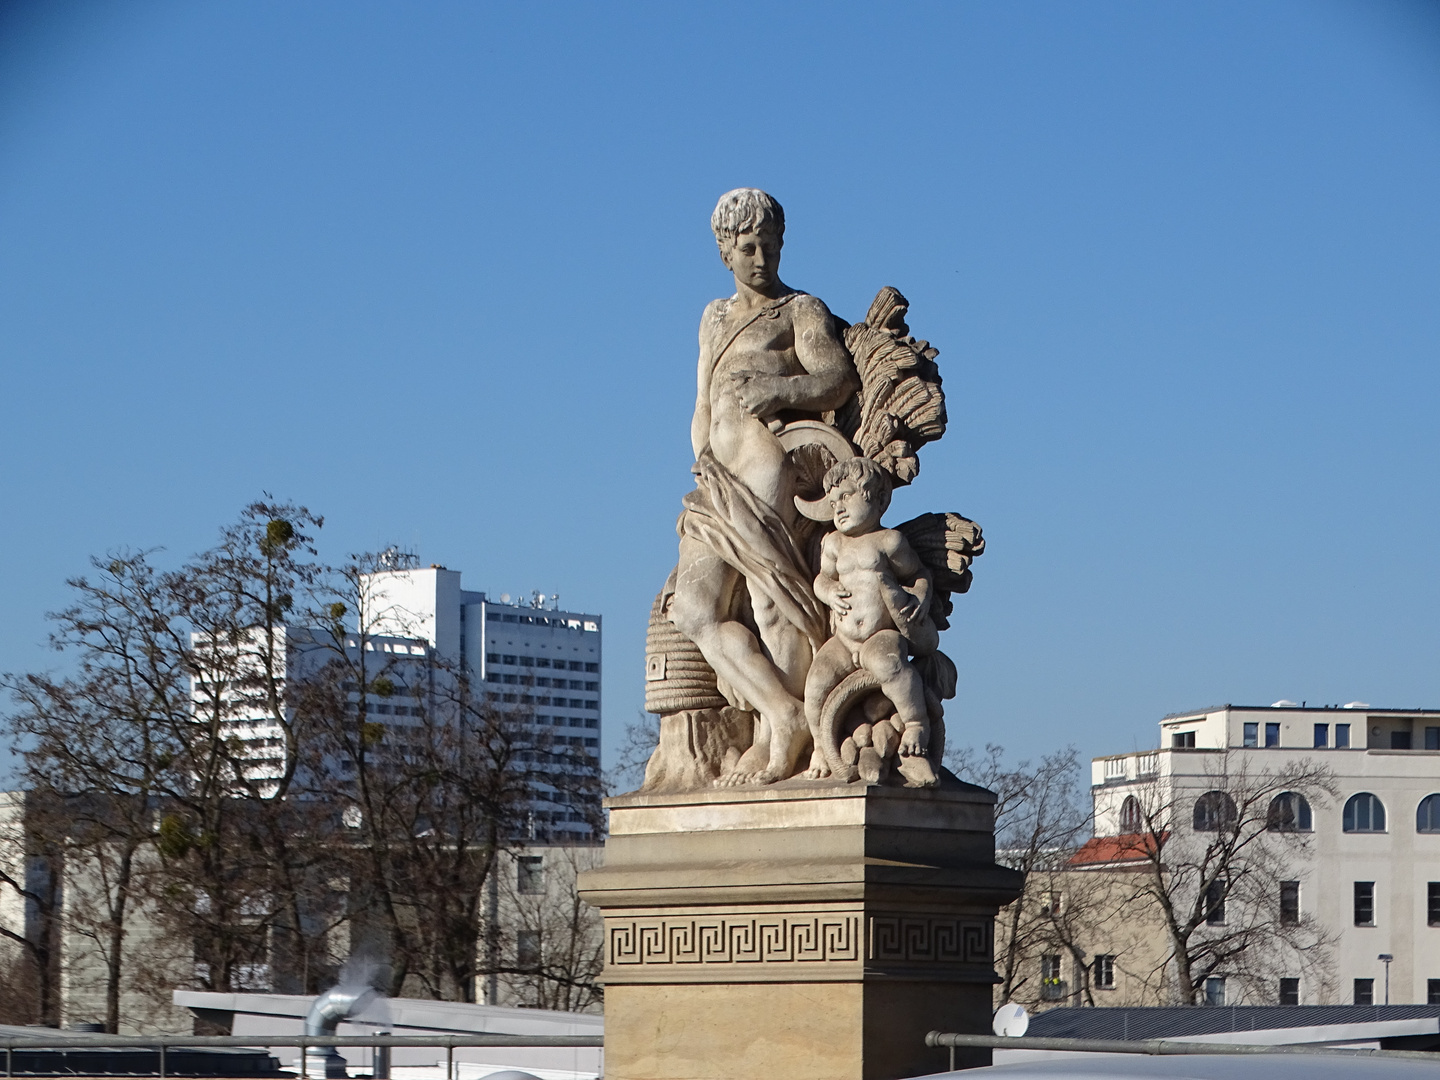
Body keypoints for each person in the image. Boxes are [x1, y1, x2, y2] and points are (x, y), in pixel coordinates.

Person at [668, 189, 859, 785]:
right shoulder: (713, 317)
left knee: (768, 599)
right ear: (725, 251)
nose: (760, 258)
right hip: (715, 474)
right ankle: (782, 713)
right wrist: (699, 452)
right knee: (693, 609)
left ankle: (786, 735)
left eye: (769, 246)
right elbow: (701, 398)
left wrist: (780, 392)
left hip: (765, 463)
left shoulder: (800, 309)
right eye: (747, 247)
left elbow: (836, 377)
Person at [803, 456, 939, 786]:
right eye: (833, 502)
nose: (838, 508)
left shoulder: (888, 542)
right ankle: (821, 746)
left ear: (877, 499)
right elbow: (821, 579)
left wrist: (921, 595)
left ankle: (916, 722)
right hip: (844, 640)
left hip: (881, 634)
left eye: (846, 496)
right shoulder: (834, 543)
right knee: (815, 685)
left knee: (890, 666)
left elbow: (919, 574)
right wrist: (830, 591)